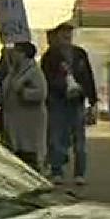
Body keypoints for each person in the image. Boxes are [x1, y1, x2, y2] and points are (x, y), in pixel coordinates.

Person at [40, 23, 98, 186]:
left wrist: (92, 100)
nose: (67, 37)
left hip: (77, 101)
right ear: (57, 36)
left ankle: (80, 172)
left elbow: (88, 76)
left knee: (79, 137)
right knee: (56, 136)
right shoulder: (50, 56)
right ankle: (57, 169)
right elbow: (46, 79)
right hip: (58, 101)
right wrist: (60, 88)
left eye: (69, 34)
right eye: (63, 34)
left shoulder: (79, 54)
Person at [0, 40, 47, 170]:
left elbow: (41, 93)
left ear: (23, 54)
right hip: (13, 120)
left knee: (28, 154)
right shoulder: (13, 71)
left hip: (29, 122)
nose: (13, 54)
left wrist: (23, 92)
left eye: (16, 51)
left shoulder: (33, 72)